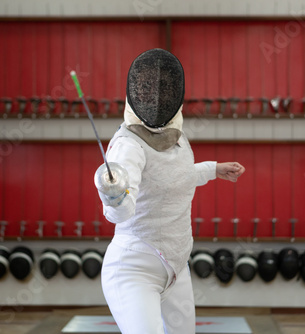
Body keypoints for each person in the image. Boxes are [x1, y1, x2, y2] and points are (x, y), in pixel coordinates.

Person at [95, 48, 245, 334]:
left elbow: (175, 177)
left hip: (176, 268)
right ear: (135, 93)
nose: (156, 100)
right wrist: (113, 194)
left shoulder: (176, 135)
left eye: (164, 92)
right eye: (150, 91)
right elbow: (121, 212)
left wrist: (213, 169)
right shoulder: (128, 145)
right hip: (134, 271)